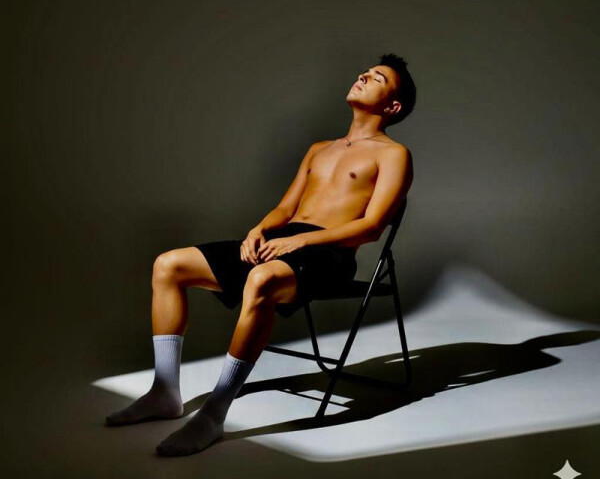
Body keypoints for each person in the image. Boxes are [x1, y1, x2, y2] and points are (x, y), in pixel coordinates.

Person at [105, 52, 416, 456]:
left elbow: (372, 227)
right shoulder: (319, 149)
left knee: (262, 278)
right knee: (169, 264)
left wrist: (301, 242)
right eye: (366, 72)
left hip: (329, 255)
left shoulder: (393, 154)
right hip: (281, 242)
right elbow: (285, 209)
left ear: (392, 106)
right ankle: (164, 392)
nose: (363, 76)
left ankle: (214, 413)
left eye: (377, 78)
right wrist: (259, 230)